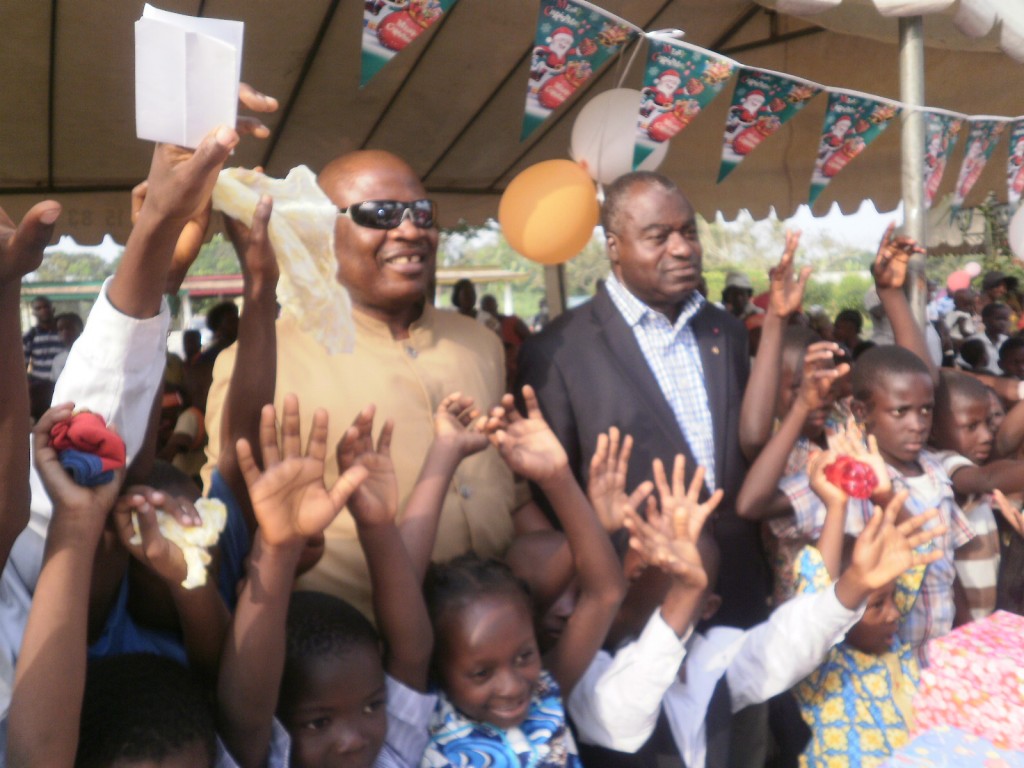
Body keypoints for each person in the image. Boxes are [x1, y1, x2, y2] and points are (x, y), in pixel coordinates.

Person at [204, 150, 513, 618]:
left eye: (421, 213)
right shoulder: (259, 362)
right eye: (381, 215)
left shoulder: (480, 343)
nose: (409, 229)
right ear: (320, 231)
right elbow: (229, 509)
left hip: (494, 638)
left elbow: (512, 487)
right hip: (349, 655)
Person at [517, 170, 771, 630]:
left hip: (740, 591)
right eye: (659, 237)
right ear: (614, 246)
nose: (682, 248)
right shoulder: (559, 352)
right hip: (638, 602)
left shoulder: (726, 331)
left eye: (688, 232)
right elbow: (552, 498)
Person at [422, 386, 624, 767]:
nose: (512, 685)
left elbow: (605, 593)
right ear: (437, 664)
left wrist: (558, 477)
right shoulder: (424, 716)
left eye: (524, 656)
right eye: (481, 673)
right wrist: (444, 456)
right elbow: (400, 586)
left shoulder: (545, 692)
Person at [22, 295, 62, 418]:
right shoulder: (30, 335)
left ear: (53, 309)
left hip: (62, 384)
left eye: (46, 307)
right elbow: (23, 364)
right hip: (40, 388)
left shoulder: (64, 331)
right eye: (38, 308)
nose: (43, 310)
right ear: (34, 313)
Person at [968, 301, 1011, 375]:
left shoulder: (1008, 342)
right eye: (999, 319)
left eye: (1005, 319)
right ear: (985, 320)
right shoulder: (975, 340)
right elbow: (964, 365)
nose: (1003, 323)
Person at [47, 311, 82, 383]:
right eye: (60, 329)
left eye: (69, 328)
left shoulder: (91, 354)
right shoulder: (58, 360)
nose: (65, 332)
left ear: (80, 329)